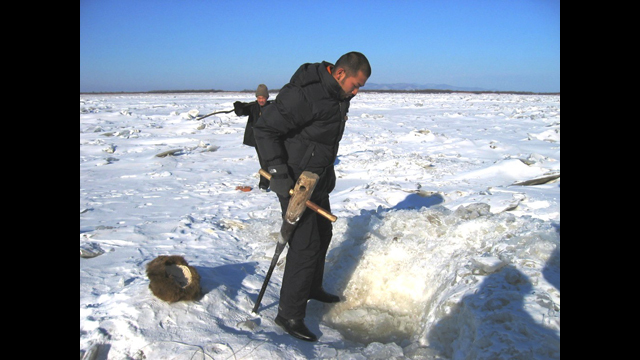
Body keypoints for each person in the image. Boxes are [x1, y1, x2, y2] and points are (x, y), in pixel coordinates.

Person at [253, 52, 371, 342]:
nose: (356, 92)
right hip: (294, 180)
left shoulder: (338, 96)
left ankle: (311, 287)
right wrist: (279, 172)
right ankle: (289, 314)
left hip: (315, 178)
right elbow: (264, 129)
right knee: (305, 245)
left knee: (323, 230)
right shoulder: (306, 95)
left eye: (361, 88)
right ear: (340, 74)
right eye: (355, 85)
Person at [233, 84, 273, 191]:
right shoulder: (252, 107)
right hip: (258, 140)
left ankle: (276, 182)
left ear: (267, 97)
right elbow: (240, 111)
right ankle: (264, 185)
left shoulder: (272, 107)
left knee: (275, 161)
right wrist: (237, 105)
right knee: (264, 162)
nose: (261, 100)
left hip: (272, 139)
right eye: (259, 98)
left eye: (263, 97)